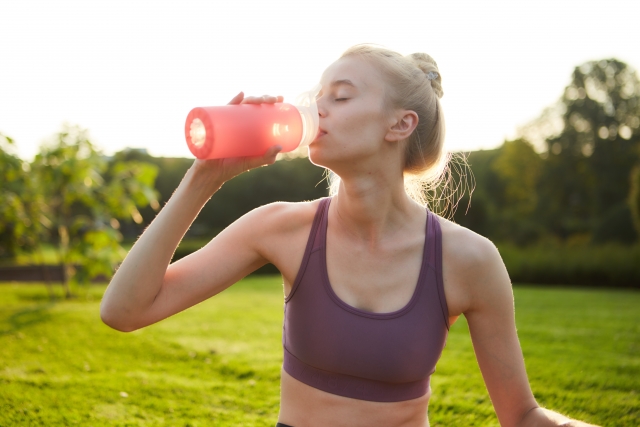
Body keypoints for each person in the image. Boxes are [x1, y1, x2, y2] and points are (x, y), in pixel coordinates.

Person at [100, 45, 600, 427]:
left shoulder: (469, 259)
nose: (319, 111)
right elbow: (124, 311)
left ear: (400, 125)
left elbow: (522, 416)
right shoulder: (281, 227)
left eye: (340, 97)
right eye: (318, 99)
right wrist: (203, 178)